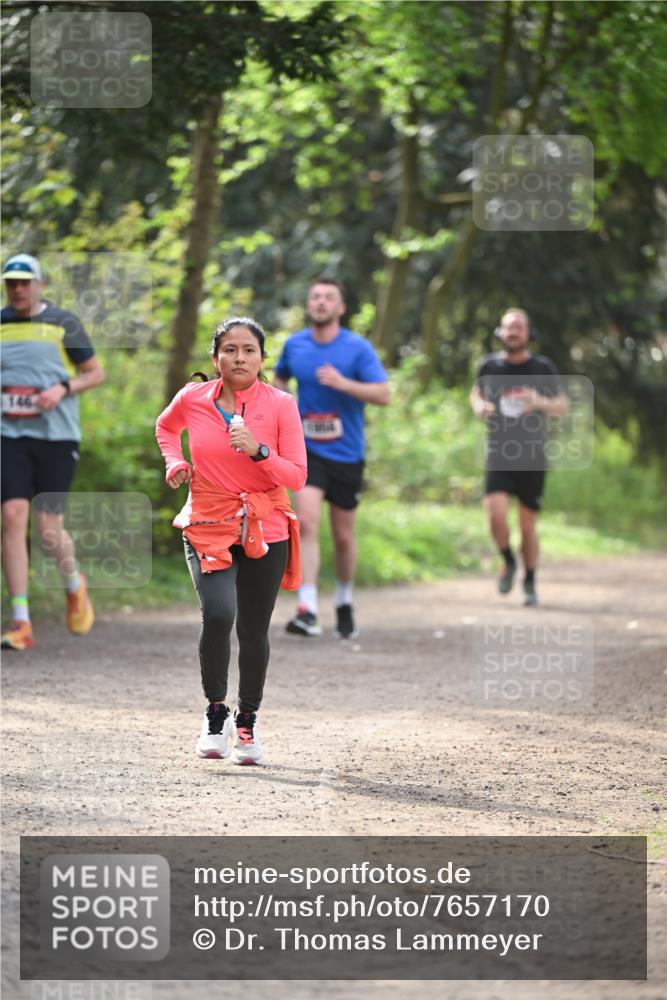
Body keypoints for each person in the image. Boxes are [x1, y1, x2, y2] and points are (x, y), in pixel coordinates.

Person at [156, 317, 306, 764]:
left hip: (266, 525)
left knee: (253, 629)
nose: (239, 358)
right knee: (219, 613)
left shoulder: (280, 404)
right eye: (230, 350)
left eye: (248, 350)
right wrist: (173, 462)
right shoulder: (192, 398)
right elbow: (166, 429)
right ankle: (215, 712)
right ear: (215, 356)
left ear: (262, 358)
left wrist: (259, 450)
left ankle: (248, 723)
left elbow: (297, 475)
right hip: (207, 522)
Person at [274, 278, 390, 640]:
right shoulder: (295, 345)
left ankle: (343, 598)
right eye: (315, 297)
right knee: (306, 522)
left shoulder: (357, 349)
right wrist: (282, 405)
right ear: (309, 305)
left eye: (329, 298)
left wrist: (344, 384)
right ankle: (307, 608)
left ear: (341, 308)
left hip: (347, 453)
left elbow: (384, 394)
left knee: (343, 535)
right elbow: (279, 380)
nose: (321, 302)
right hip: (306, 451)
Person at [1, 253, 105, 650]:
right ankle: (21, 621)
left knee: (47, 529)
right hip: (8, 434)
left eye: (25, 282)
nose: (18, 289)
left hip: (57, 437)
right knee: (12, 516)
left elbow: (96, 373)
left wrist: (62, 388)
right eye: (12, 282)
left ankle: (73, 582)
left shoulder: (64, 323)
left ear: (40, 284)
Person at [469, 308, 568, 606]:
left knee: (527, 526)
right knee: (495, 514)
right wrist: (479, 407)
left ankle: (530, 580)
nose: (513, 332)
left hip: (533, 455)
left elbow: (562, 406)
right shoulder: (489, 366)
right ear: (500, 332)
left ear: (528, 333)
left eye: (518, 327)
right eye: (508, 327)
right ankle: (508, 560)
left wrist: (538, 401)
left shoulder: (542, 367)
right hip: (499, 452)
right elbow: (476, 393)